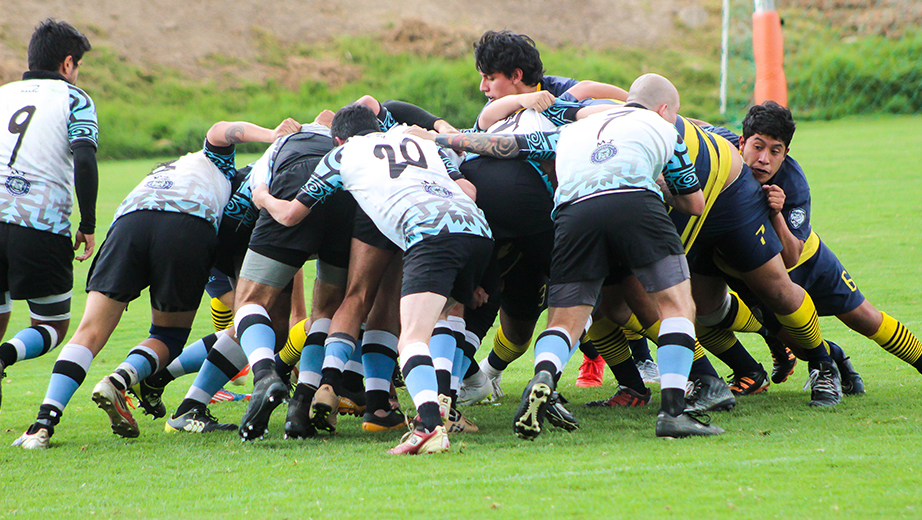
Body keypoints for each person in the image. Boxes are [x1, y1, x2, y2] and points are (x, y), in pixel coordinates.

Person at [12, 118, 298, 449]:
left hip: (130, 221)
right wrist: (274, 136)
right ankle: (121, 380)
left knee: (88, 331)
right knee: (168, 335)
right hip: (189, 226)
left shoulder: (180, 168)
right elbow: (220, 129)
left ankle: (42, 423)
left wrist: (269, 135)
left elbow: (222, 130)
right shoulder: (245, 179)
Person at [254, 104, 493, 455]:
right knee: (450, 313)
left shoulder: (341, 155)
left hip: (428, 234)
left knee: (410, 338)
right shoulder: (418, 139)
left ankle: (429, 426)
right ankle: (443, 403)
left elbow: (290, 215)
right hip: (476, 229)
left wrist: (263, 196)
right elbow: (469, 190)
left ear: (337, 139)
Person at [707, 101, 922, 386]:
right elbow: (688, 123)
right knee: (802, 348)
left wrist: (775, 214)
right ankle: (835, 359)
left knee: (865, 318)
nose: (764, 159)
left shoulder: (792, 183)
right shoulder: (722, 149)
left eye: (775, 151)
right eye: (758, 147)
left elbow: (792, 256)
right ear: (742, 142)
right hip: (755, 275)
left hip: (809, 263)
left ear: (786, 153)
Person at [0, 19, 96, 412]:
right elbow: (85, 158)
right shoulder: (74, 98)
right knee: (52, 326)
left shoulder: (3, 94)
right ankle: (5, 356)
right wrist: (87, 224)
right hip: (39, 225)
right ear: (68, 63)